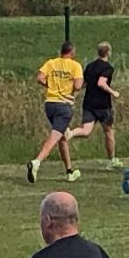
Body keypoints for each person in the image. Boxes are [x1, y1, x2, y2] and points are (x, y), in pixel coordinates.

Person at [29, 42, 84, 184]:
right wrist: (71, 85)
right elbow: (78, 86)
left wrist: (51, 85)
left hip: (50, 103)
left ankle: (69, 171)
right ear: (72, 52)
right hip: (64, 106)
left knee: (62, 137)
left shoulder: (51, 63)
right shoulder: (75, 66)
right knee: (55, 137)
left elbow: (40, 77)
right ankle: (37, 161)